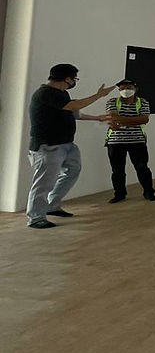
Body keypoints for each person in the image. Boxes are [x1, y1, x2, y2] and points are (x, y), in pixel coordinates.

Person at [26, 63, 112, 229]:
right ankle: (35, 217)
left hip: (66, 144)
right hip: (48, 147)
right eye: (74, 78)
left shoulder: (62, 93)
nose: (74, 81)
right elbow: (74, 106)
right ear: (67, 78)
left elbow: (74, 113)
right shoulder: (45, 93)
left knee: (73, 170)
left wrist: (97, 118)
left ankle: (52, 205)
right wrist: (98, 95)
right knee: (44, 182)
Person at [105, 79, 155, 203]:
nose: (125, 90)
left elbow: (144, 119)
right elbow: (113, 117)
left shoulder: (142, 102)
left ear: (135, 88)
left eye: (128, 87)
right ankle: (119, 194)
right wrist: (134, 119)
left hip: (137, 141)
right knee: (117, 170)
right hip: (116, 142)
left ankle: (149, 192)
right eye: (122, 88)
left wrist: (120, 120)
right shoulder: (112, 102)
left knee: (142, 167)